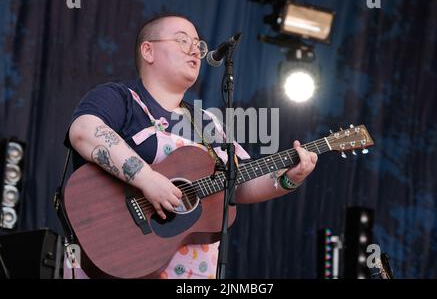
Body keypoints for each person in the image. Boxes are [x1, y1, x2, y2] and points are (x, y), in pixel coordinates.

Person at [65, 14, 318, 279]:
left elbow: (239, 183)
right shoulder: (120, 98)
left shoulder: (208, 124)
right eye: (181, 40)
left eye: (198, 44)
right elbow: (84, 132)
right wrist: (148, 179)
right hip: (120, 257)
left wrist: (289, 179)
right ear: (148, 50)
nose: (194, 50)